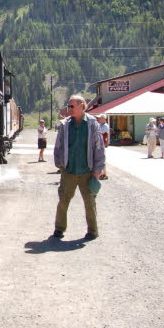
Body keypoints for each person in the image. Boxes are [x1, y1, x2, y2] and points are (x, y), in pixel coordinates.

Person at [52, 94, 105, 240]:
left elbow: (99, 147)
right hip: (69, 170)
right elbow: (58, 146)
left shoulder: (92, 123)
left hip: (87, 171)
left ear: (82, 106)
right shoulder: (65, 124)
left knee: (90, 202)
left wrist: (98, 170)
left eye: (71, 106)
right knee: (63, 200)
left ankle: (93, 231)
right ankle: (59, 229)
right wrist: (59, 164)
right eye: (68, 106)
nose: (68, 109)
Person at [97, 114, 110, 180]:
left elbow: (98, 133)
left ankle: (104, 174)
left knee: (102, 159)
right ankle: (103, 174)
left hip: (102, 144)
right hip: (100, 144)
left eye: (100, 118)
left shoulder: (104, 126)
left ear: (103, 119)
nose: (98, 119)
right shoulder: (101, 125)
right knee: (101, 159)